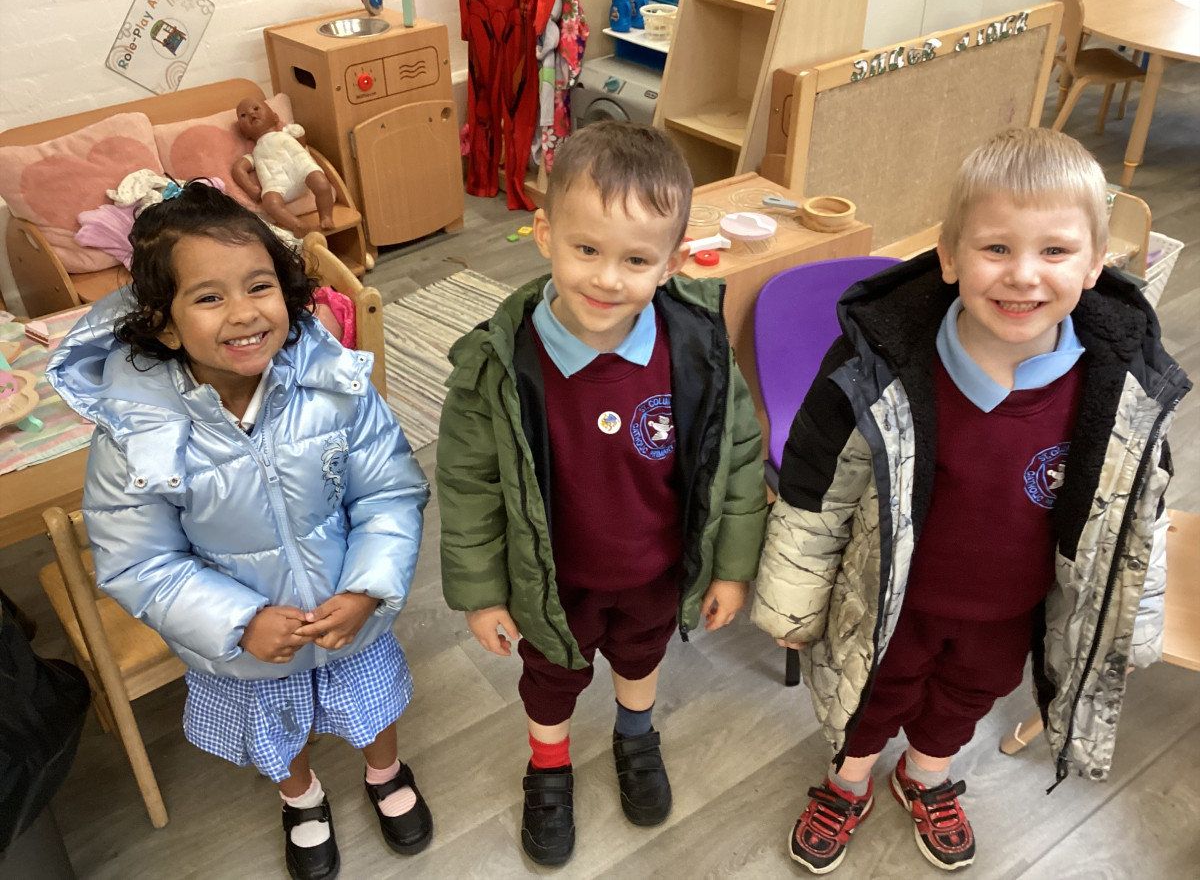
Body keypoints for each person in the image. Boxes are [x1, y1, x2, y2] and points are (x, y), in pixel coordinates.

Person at [751, 127, 1190, 874]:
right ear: (950, 256)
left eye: (1055, 250)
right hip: (892, 600)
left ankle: (924, 776)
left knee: (965, 700)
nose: (1023, 274)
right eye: (996, 248)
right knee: (870, 698)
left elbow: (1135, 518)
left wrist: (1134, 619)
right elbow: (819, 488)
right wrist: (793, 599)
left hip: (1010, 609)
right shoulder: (882, 367)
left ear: (1095, 264)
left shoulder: (1122, 388)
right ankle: (848, 783)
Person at [46, 182, 433, 880]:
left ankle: (385, 773)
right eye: (209, 296)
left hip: (349, 613)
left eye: (259, 286)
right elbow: (137, 563)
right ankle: (302, 799)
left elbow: (389, 491)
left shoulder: (335, 386)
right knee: (276, 733)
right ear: (165, 325)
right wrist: (239, 622)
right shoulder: (136, 434)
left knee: (373, 708)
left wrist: (369, 587)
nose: (245, 312)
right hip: (246, 644)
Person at [436, 121, 768, 866]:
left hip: (654, 571)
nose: (607, 279)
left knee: (641, 655)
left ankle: (635, 736)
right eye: (586, 249)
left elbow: (739, 459)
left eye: (636, 259)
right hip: (549, 581)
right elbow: (468, 486)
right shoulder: (499, 364)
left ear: (672, 263)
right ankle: (548, 766)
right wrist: (482, 594)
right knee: (551, 678)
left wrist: (731, 567)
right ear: (544, 233)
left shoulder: (699, 350)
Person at [232, 96, 336, 238]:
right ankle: (296, 225)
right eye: (243, 115)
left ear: (275, 117)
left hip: (302, 171)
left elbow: (302, 144)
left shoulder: (287, 133)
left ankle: (326, 217)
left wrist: (299, 134)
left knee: (322, 184)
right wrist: (250, 188)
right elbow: (238, 169)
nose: (251, 113)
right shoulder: (255, 154)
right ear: (244, 133)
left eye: (256, 108)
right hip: (277, 184)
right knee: (270, 204)